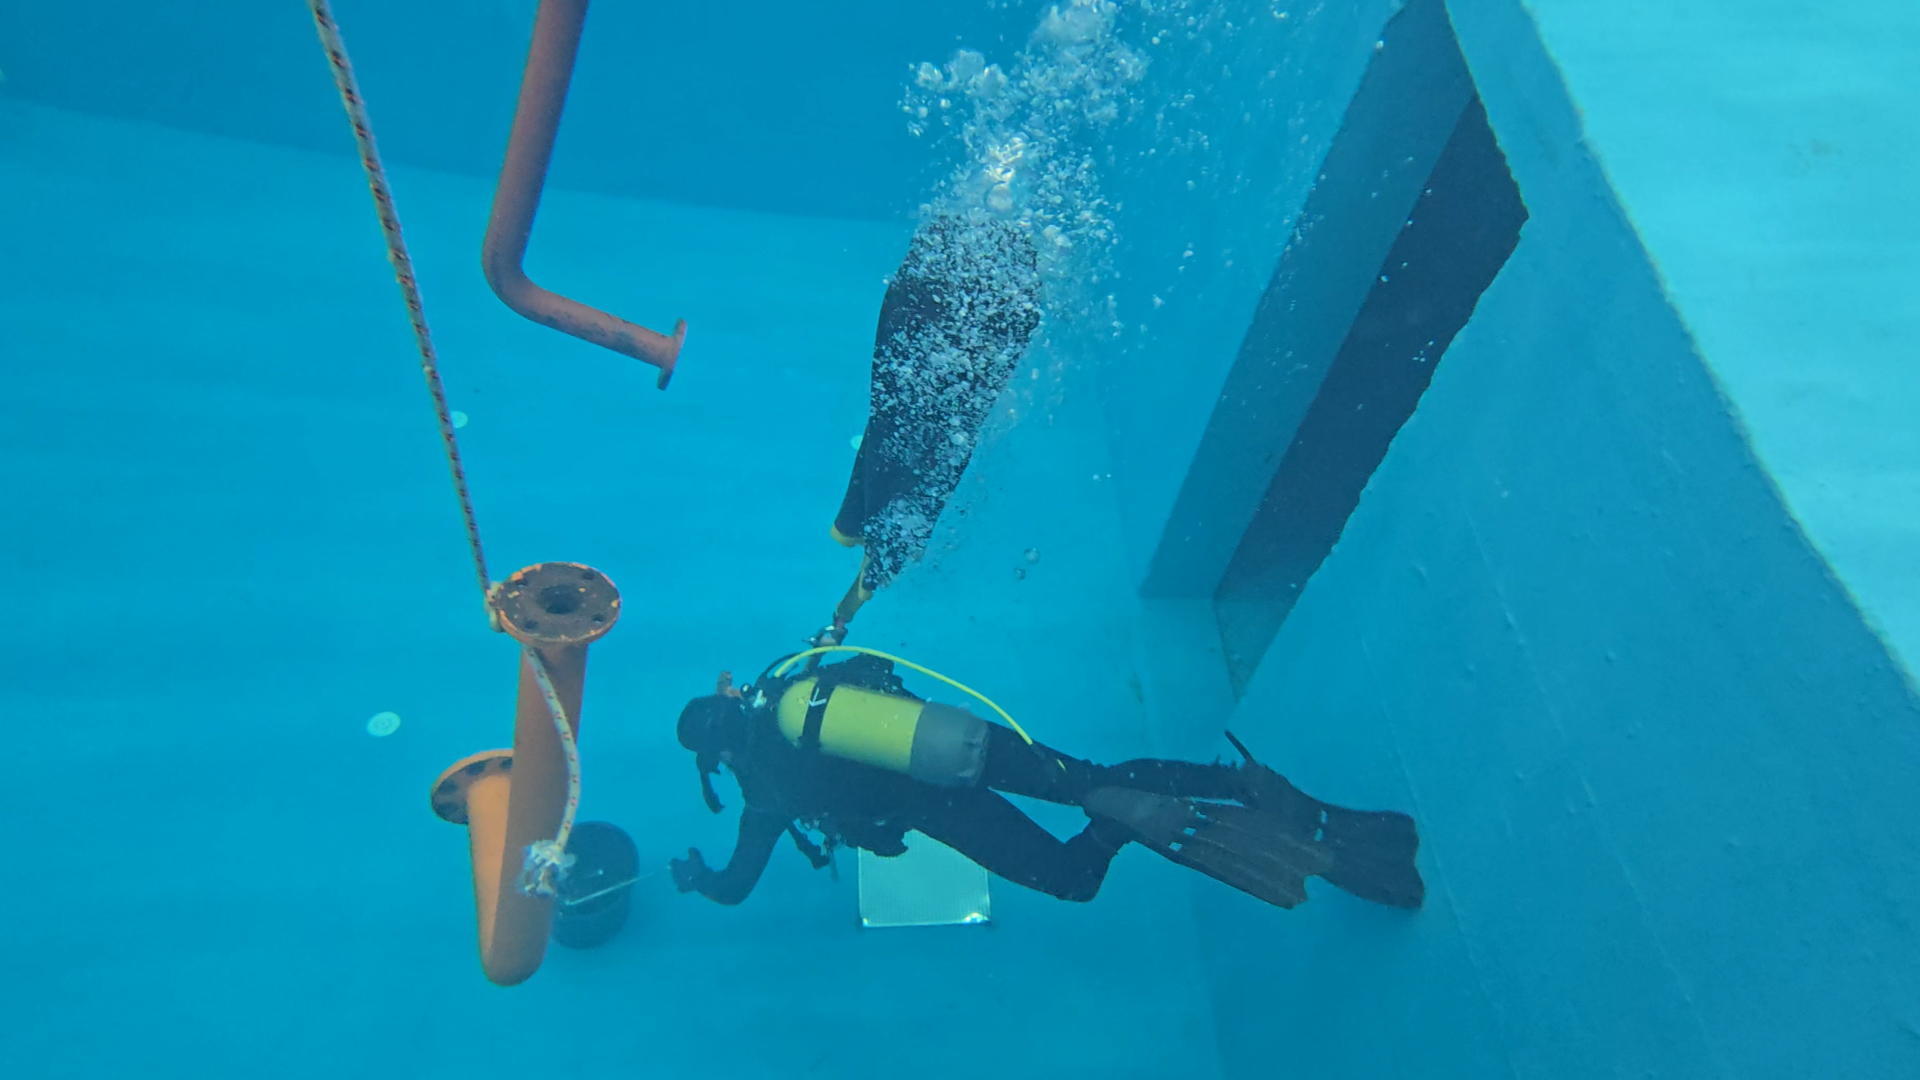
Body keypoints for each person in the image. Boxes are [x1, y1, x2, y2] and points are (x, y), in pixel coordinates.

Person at [669, 651, 1425, 911]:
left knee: (1069, 878)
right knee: (1089, 777)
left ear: (721, 756)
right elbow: (876, 669)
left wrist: (699, 877)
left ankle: (1115, 827)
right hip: (960, 744)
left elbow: (737, 885)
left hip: (934, 806)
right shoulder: (796, 690)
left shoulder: (764, 796)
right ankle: (1237, 782)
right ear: (731, 700)